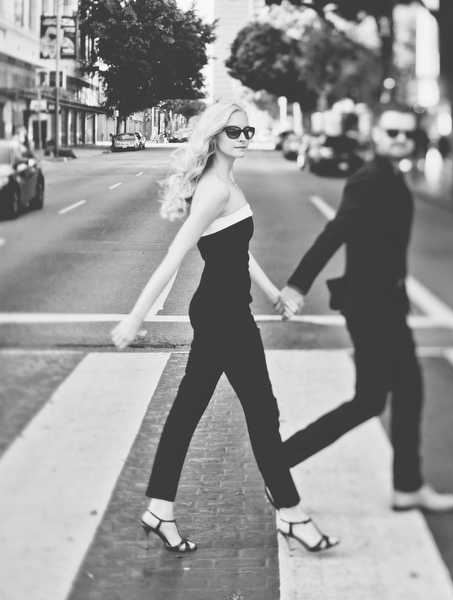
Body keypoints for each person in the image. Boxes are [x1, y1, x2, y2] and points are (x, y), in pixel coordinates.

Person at [111, 102, 339, 554]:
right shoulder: (215, 189)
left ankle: (159, 508)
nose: (243, 136)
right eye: (233, 130)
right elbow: (175, 255)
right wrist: (137, 315)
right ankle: (292, 513)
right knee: (262, 411)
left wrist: (273, 292)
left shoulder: (227, 184)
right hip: (224, 315)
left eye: (247, 130)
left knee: (188, 408)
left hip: (225, 308)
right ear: (214, 135)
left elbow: (237, 252)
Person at [277, 102, 453, 513]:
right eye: (392, 132)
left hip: (385, 305)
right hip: (372, 308)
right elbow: (334, 232)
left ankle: (408, 486)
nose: (400, 139)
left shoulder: (390, 176)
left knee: (409, 392)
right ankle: (280, 461)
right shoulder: (371, 179)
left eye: (407, 134)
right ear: (376, 134)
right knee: (369, 401)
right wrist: (296, 285)